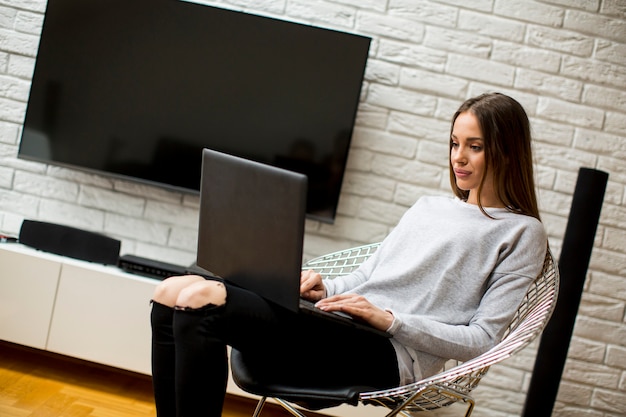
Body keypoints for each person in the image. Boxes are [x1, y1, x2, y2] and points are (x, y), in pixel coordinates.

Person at [150, 92, 548, 417]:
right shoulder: (429, 206)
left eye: (474, 147)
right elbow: (369, 277)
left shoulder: (521, 232)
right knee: (172, 293)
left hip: (386, 354)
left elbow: (483, 339)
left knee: (202, 301)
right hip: (339, 327)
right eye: (454, 144)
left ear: (507, 152)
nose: (458, 157)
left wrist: (390, 320)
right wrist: (325, 289)